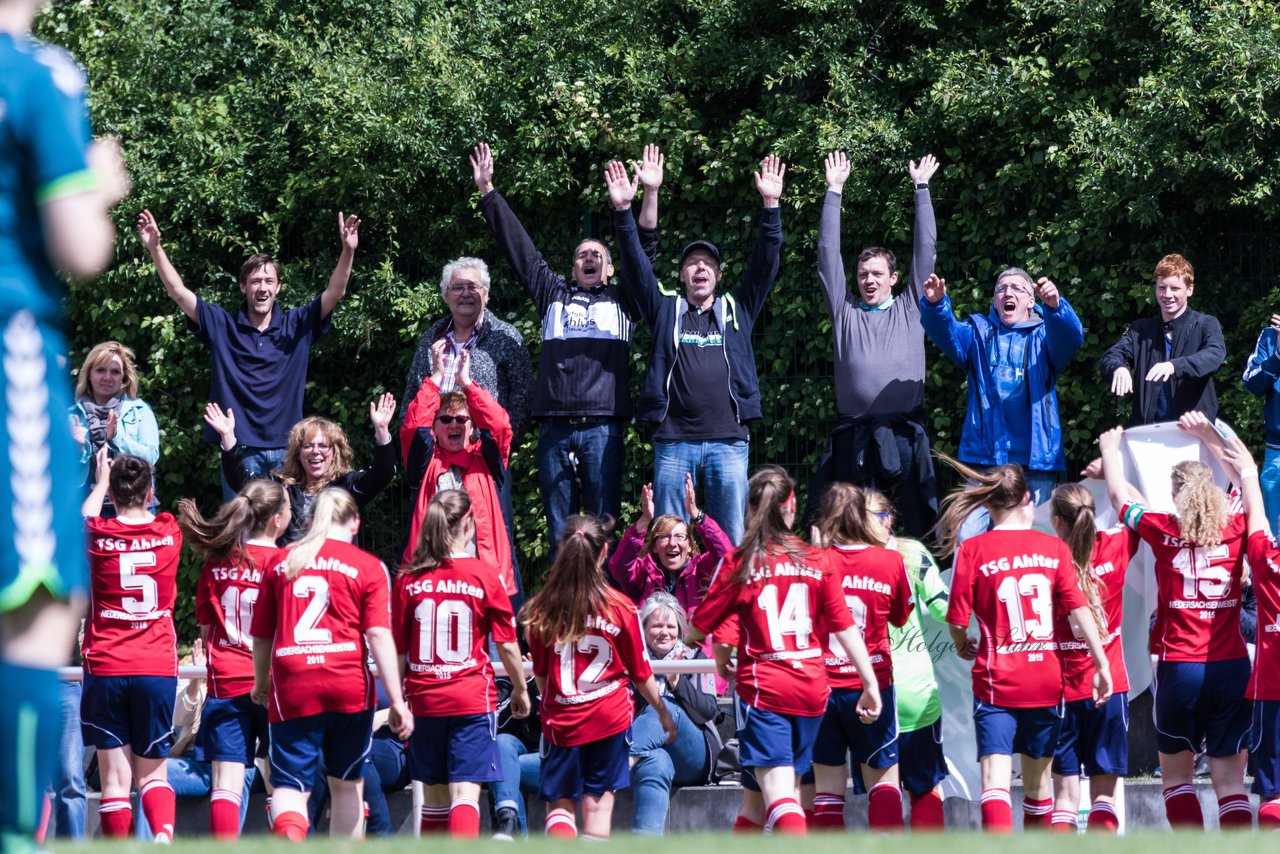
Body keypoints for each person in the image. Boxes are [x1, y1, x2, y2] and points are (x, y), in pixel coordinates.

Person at [0, 2, 129, 848]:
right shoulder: (38, 74)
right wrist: (96, 183)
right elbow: (81, 247)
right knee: (36, 611)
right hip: (11, 361)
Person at [471, 142, 659, 552]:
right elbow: (520, 251)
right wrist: (489, 192)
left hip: (603, 428)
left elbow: (643, 254)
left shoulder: (625, 300)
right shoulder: (553, 295)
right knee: (561, 533)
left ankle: (601, 608)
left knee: (601, 528)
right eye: (581, 255)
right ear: (572, 268)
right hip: (554, 428)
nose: (588, 258)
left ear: (609, 269)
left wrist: (647, 194)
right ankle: (562, 611)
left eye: (597, 255)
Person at [689, 465, 882, 836]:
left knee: (780, 797)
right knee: (771, 798)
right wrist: (869, 683)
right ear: (791, 506)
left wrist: (722, 659)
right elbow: (845, 628)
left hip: (765, 691)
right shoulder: (817, 559)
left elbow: (699, 628)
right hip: (812, 690)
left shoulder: (740, 563)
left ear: (749, 508)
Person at [607, 155, 787, 544]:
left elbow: (765, 263)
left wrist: (771, 207)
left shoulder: (737, 307)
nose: (700, 269)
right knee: (669, 538)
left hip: (728, 441)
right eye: (692, 264)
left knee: (730, 539)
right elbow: (637, 268)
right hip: (673, 442)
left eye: (707, 264)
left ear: (719, 276)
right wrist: (624, 210)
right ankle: (668, 605)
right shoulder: (665, 308)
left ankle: (730, 604)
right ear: (682, 275)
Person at [135, 207, 362, 498]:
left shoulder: (297, 324)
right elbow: (178, 292)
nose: (262, 287)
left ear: (278, 287)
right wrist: (155, 247)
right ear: (243, 286)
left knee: (289, 531)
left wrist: (348, 250)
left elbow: (335, 292)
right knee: (242, 532)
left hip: (288, 451)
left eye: (269, 281)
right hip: (238, 449)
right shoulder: (223, 325)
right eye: (255, 281)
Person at [936, 459, 1112, 833]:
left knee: (995, 782)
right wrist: (1102, 664)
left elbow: (955, 620)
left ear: (988, 505)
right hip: (1046, 681)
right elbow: (1080, 610)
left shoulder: (973, 550)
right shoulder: (1054, 549)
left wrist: (960, 642)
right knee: (1037, 788)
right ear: (1029, 499)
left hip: (997, 682)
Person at [1098, 415, 1252, 829]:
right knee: (1230, 783)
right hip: (1231, 665)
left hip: (1180, 668)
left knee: (1178, 780)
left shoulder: (1164, 530)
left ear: (1175, 496)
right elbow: (1245, 475)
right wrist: (1208, 434)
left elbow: (1121, 501)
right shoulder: (1236, 526)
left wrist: (1111, 454)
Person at [248, 488, 413, 840]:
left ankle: (290, 837)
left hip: (294, 681)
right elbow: (379, 636)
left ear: (310, 520)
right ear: (355, 523)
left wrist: (261, 682)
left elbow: (261, 637)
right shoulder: (369, 566)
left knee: (290, 785)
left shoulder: (282, 562)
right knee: (347, 784)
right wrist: (398, 701)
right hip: (348, 682)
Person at [807, 152, 940, 537]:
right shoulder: (844, 310)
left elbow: (925, 250)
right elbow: (827, 256)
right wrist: (834, 191)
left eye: (877, 273)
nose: (868, 280)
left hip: (904, 440)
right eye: (863, 274)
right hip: (854, 442)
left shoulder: (912, 305)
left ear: (894, 278)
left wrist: (922, 190)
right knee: (851, 532)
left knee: (911, 533)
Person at [520, 515, 677, 840]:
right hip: (609, 720)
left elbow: (541, 677)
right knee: (597, 811)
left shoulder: (539, 610)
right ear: (605, 553)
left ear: (562, 549)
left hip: (563, 721)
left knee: (560, 810)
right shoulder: (620, 607)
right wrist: (662, 711)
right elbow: (640, 673)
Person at [392, 489, 530, 839]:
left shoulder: (409, 578)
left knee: (435, 797)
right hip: (469, 697)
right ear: (469, 524)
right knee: (465, 792)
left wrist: (398, 699)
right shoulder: (484, 575)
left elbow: (398, 651)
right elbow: (507, 645)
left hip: (424, 699)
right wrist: (519, 687)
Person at [919, 268, 1083, 538]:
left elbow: (1072, 337)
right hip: (985, 461)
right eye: (1001, 288)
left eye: (1017, 288)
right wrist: (936, 305)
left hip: (1035, 462)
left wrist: (1056, 306)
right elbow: (946, 332)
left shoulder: (1046, 336)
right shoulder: (977, 334)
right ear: (995, 300)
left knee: (1035, 540)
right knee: (966, 535)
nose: (1008, 292)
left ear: (1031, 301)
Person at [176, 478, 290, 838]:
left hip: (227, 681)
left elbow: (208, 630)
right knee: (282, 780)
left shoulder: (216, 563)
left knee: (225, 782)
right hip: (276, 684)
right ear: (275, 519)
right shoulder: (288, 563)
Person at [80, 449, 184, 841]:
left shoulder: (97, 535)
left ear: (112, 494)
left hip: (106, 664)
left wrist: (101, 481)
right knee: (153, 774)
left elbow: (84, 517)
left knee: (114, 780)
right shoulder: (168, 531)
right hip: (155, 664)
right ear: (149, 492)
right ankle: (163, 835)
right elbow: (153, 511)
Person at [807, 484, 913, 832]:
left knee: (827, 794)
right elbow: (901, 617)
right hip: (873, 685)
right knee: (884, 783)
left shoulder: (814, 561)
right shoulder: (890, 560)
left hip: (821, 687)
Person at [1046, 482, 1138, 833]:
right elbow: (1143, 515)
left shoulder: (1047, 560)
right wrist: (1114, 472)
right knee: (1104, 799)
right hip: (1110, 686)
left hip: (1062, 692)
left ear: (1056, 521)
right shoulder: (1114, 544)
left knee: (1065, 801)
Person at [401, 346, 518, 600]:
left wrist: (467, 385)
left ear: (473, 427)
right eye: (445, 420)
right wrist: (435, 379)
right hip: (432, 578)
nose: (453, 424)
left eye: (461, 420)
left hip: (482, 579)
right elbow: (414, 427)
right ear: (436, 427)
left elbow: (498, 424)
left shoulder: (487, 461)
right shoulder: (425, 462)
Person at [204, 393, 397, 544]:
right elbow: (242, 482)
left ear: (334, 452)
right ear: (298, 453)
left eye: (323, 446)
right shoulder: (281, 487)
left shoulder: (347, 486)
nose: (316, 452)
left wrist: (381, 430)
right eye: (308, 446)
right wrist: (228, 437)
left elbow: (383, 473)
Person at [870, 490, 950, 830]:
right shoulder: (911, 553)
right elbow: (944, 608)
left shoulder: (841, 560)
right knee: (926, 788)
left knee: (883, 787)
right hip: (916, 694)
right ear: (889, 518)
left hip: (869, 693)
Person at [1217, 431, 1280, 828]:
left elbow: (1254, 513)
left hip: (1272, 690)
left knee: (1273, 791)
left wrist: (1249, 473)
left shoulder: (1266, 561)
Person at [402, 255, 533, 437]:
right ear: (446, 296)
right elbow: (412, 397)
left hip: (484, 457)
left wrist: (498, 445)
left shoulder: (506, 337)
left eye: (472, 287)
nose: (465, 293)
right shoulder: (430, 338)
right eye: (457, 287)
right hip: (434, 458)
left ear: (486, 295)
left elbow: (523, 398)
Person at [629, 592, 720, 835]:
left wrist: (678, 684)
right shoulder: (631, 661)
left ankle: (618, 763)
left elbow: (708, 710)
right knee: (657, 761)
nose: (664, 632)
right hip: (650, 750)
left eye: (671, 626)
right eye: (657, 625)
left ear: (680, 630)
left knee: (666, 706)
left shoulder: (695, 658)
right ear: (644, 629)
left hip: (693, 754)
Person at [1100, 253, 1225, 426]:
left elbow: (1214, 355)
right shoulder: (1140, 329)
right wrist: (1118, 367)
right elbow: (1112, 355)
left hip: (1195, 434)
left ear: (1189, 289)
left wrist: (1174, 366)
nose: (1167, 295)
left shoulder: (1206, 324)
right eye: (1161, 288)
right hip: (1149, 434)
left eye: (1175, 288)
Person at [609, 477, 733, 622]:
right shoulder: (642, 574)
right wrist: (645, 519)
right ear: (654, 546)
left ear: (690, 547)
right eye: (664, 537)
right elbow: (619, 565)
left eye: (680, 536)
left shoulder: (701, 570)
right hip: (650, 644)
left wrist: (696, 515)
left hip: (693, 644)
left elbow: (727, 556)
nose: (672, 543)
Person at [69, 341, 160, 511]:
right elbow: (58, 473)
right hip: (88, 509)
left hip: (135, 508)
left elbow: (151, 459)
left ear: (123, 378)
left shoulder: (140, 411)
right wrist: (77, 449)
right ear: (89, 374)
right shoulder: (71, 416)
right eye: (100, 370)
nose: (107, 377)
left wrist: (117, 439)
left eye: (115, 372)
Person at [1241, 315, 1280, 532]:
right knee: (1274, 535)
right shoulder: (1270, 336)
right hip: (1277, 451)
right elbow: (1252, 383)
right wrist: (1278, 355)